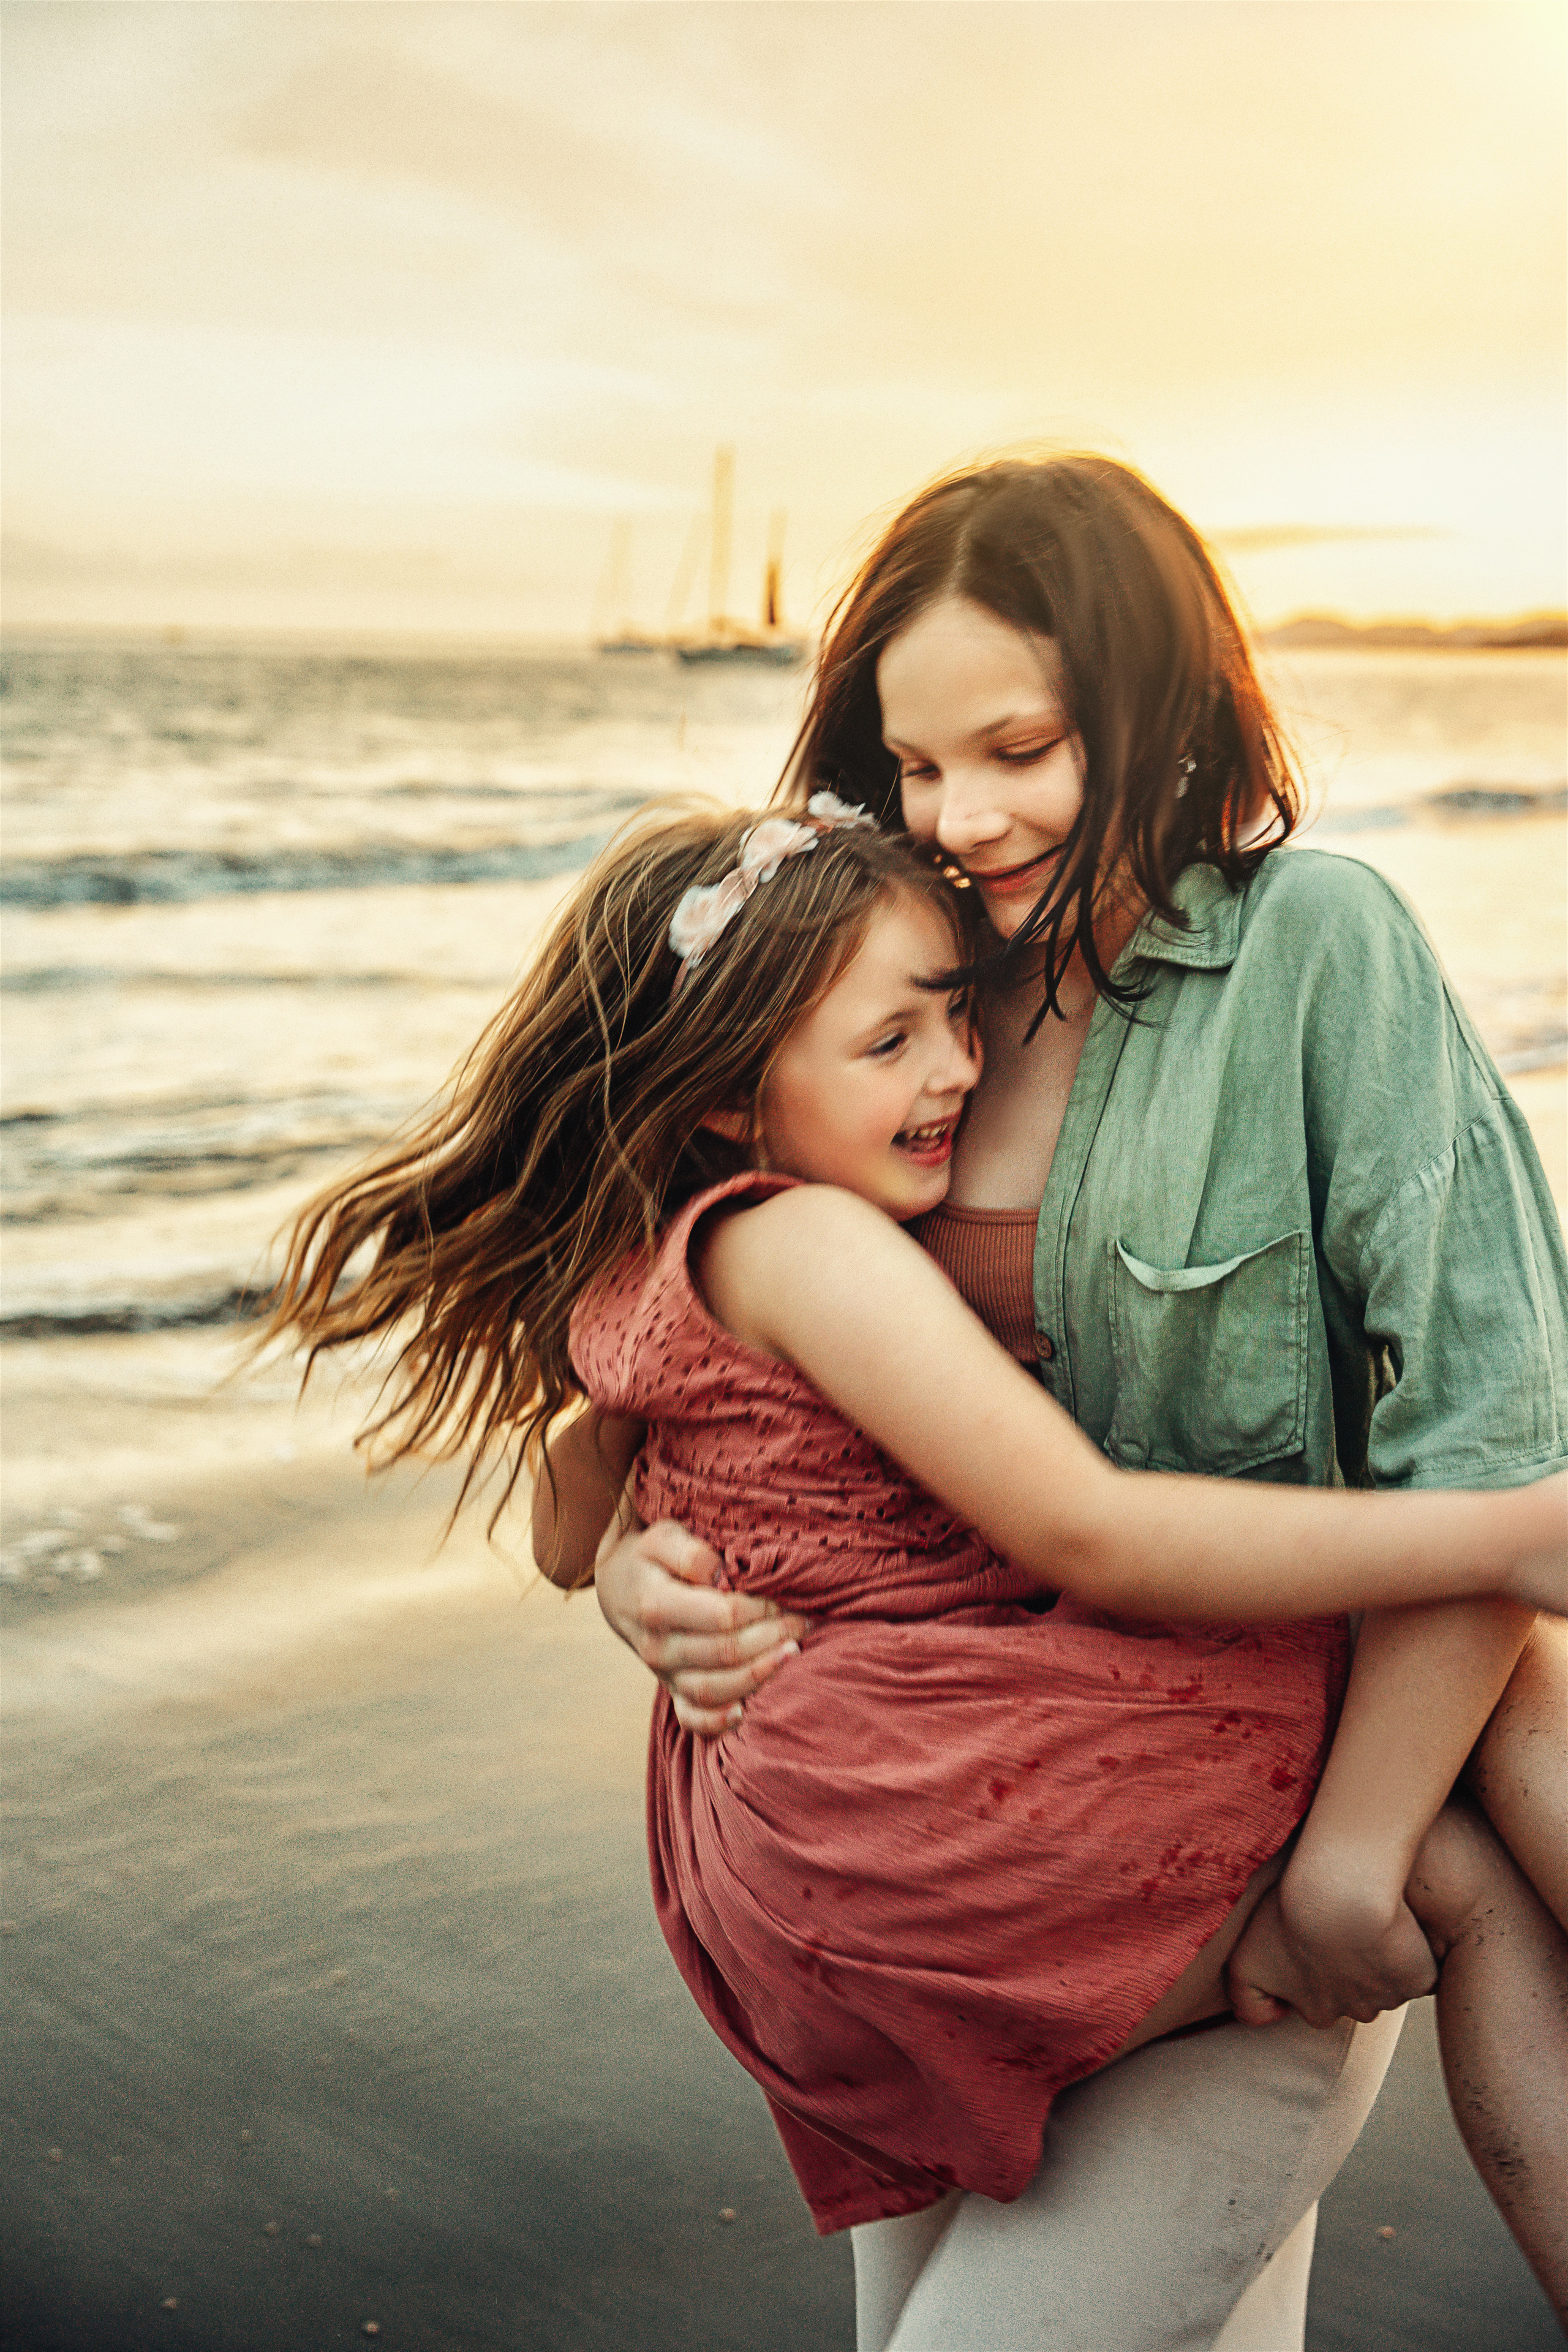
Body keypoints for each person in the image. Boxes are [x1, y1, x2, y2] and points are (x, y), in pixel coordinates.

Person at [264, 793, 1568, 2326]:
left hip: (782, 1848)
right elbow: (1085, 1530)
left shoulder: (650, 1271)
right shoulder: (816, 1247)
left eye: (954, 1017)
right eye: (887, 1045)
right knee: (1472, 1768)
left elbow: (564, 1531)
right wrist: (1511, 1532)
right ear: (730, 1101)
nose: (956, 1068)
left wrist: (628, 1555)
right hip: (920, 1817)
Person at [590, 455, 1568, 2345]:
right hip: (957, 1875)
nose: (963, 817)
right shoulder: (909, 986)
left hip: (1243, 1866)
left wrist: (1356, 1859)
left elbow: (1496, 1441)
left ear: (1162, 694)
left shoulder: (1314, 954)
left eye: (1021, 747)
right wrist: (642, 1567)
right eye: (920, 766)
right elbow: (716, 1350)